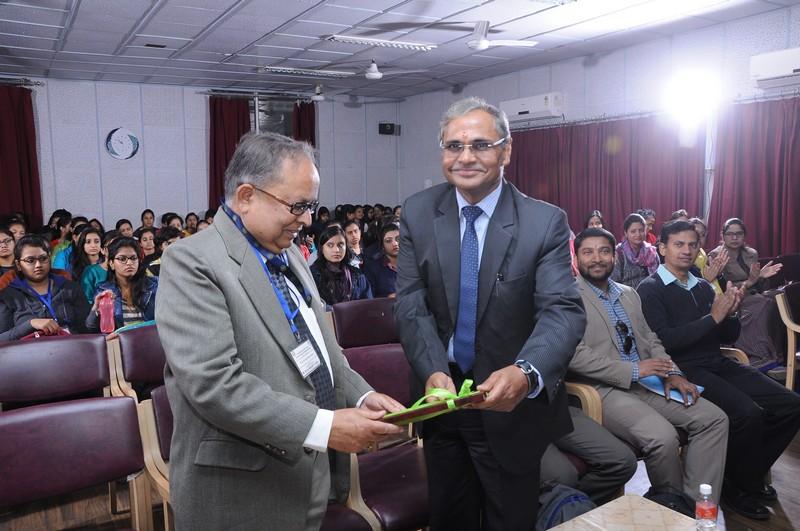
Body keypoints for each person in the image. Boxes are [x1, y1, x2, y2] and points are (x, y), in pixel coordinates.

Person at [155, 132, 403, 530]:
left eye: (311, 206)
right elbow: (215, 385)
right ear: (246, 196)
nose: (307, 220)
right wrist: (324, 427)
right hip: (244, 490)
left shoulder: (288, 252)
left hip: (309, 474)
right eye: (298, 206)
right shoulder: (192, 262)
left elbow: (321, 348)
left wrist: (361, 396)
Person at [395, 97, 586, 530]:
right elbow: (410, 303)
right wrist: (431, 368)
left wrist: (526, 372)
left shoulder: (544, 222)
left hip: (509, 405)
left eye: (480, 145)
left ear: (506, 151)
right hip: (442, 401)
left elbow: (563, 312)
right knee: (449, 518)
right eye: (454, 146)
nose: (465, 157)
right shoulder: (419, 212)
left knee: (510, 520)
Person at [637, 220, 800, 521]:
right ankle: (740, 488)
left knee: (790, 404)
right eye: (678, 244)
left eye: (692, 244)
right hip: (682, 370)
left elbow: (727, 336)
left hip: (717, 361)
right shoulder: (649, 289)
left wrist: (731, 313)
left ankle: (742, 475)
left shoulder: (701, 285)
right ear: (662, 249)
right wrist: (712, 318)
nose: (687, 250)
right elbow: (664, 341)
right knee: (747, 413)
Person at [569, 227, 728, 502]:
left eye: (604, 251)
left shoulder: (629, 293)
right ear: (576, 259)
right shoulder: (567, 297)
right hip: (602, 389)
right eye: (588, 252)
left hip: (648, 382)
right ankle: (671, 506)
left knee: (714, 419)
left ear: (614, 257)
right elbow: (574, 355)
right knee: (663, 437)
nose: (597, 258)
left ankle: (696, 507)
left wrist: (673, 372)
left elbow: (650, 339)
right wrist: (633, 370)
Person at [707, 218, 784, 371]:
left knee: (780, 299)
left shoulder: (751, 253)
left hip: (753, 294)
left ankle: (780, 354)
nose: (735, 238)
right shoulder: (716, 255)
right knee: (764, 303)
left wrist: (761, 277)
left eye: (739, 234)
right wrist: (750, 281)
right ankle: (759, 355)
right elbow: (721, 287)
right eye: (730, 234)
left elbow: (758, 284)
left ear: (744, 235)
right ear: (722, 236)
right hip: (733, 298)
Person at [539, 405, 637, 505]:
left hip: (552, 408)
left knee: (623, 462)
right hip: (528, 420)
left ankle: (577, 507)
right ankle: (563, 509)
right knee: (563, 478)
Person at [0, 235, 90, 341]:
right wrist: (30, 324)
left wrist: (95, 311)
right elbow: (2, 339)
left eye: (43, 258)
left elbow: (88, 330)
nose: (38, 265)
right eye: (30, 260)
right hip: (29, 350)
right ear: (18, 264)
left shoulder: (70, 288)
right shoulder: (9, 296)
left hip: (71, 348)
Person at [86, 237, 158, 331]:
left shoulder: (154, 285)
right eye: (122, 259)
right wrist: (96, 309)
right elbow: (91, 327)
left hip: (151, 337)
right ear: (111, 263)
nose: (129, 263)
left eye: (133, 258)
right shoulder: (103, 290)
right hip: (119, 339)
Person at [310, 226, 372, 307]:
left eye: (340, 245)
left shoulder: (357, 275)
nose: (336, 250)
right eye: (330, 245)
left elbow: (368, 305)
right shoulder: (312, 275)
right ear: (322, 248)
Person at [611, 213, 659, 288]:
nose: (638, 234)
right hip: (626, 293)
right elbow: (613, 283)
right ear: (626, 233)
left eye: (641, 230)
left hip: (651, 292)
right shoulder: (618, 253)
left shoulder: (651, 251)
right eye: (633, 231)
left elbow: (663, 277)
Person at [80, 231, 118, 304]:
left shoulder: (129, 270)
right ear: (102, 250)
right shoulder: (91, 271)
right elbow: (86, 300)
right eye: (111, 246)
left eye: (119, 247)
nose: (116, 250)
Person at [689, 218, 725, 295]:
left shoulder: (702, 253)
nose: (699, 238)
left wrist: (719, 275)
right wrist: (706, 281)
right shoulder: (684, 259)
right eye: (695, 233)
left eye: (703, 235)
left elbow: (718, 285)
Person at [363, 223, 399, 298]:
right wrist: (387, 298)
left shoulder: (413, 263)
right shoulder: (372, 268)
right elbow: (369, 298)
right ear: (382, 246)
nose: (395, 243)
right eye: (388, 241)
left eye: (398, 239)